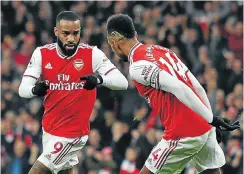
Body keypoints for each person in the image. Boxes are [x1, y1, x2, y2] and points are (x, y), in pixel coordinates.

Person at [106, 14, 240, 174]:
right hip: (202, 124)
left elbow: (178, 87)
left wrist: (212, 119)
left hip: (182, 133)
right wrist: (209, 120)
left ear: (115, 42)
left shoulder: (137, 67)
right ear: (135, 34)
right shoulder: (162, 50)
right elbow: (197, 86)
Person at [18, 11, 128, 174]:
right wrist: (35, 89)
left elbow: (122, 82)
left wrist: (99, 80)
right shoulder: (41, 54)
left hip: (72, 134)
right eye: (66, 33)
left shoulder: (92, 54)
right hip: (49, 130)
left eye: (76, 33)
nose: (71, 38)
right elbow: (22, 90)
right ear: (56, 32)